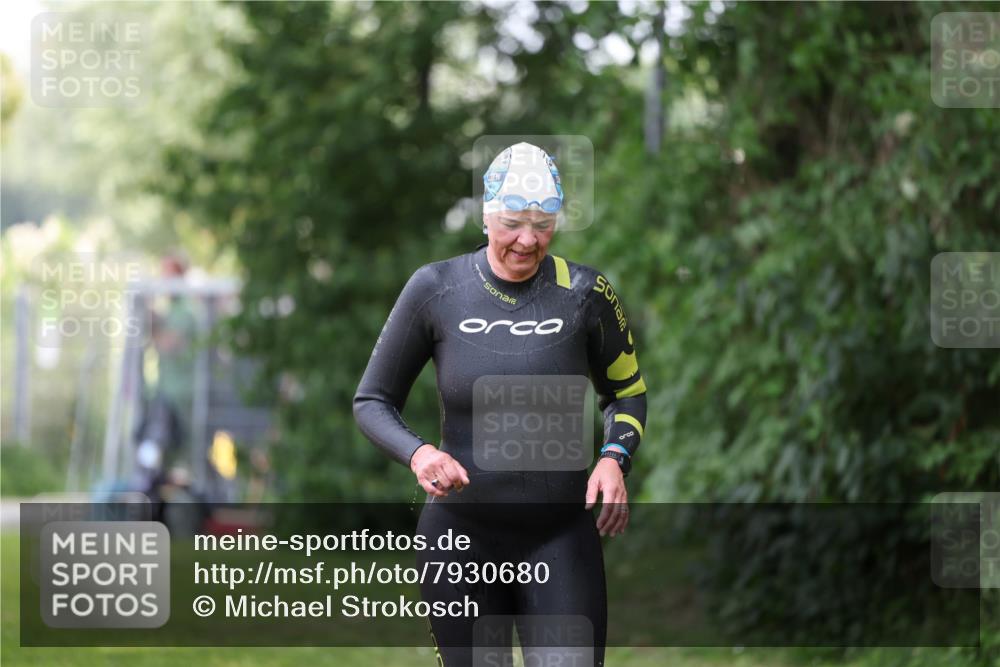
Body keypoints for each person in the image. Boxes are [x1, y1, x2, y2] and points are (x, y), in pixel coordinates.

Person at [353, 142, 648, 666]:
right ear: (486, 216)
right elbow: (372, 401)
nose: (528, 240)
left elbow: (627, 393)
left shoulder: (585, 292)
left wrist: (613, 458)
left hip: (560, 537)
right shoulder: (437, 289)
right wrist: (420, 455)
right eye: (513, 223)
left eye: (543, 225)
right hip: (461, 538)